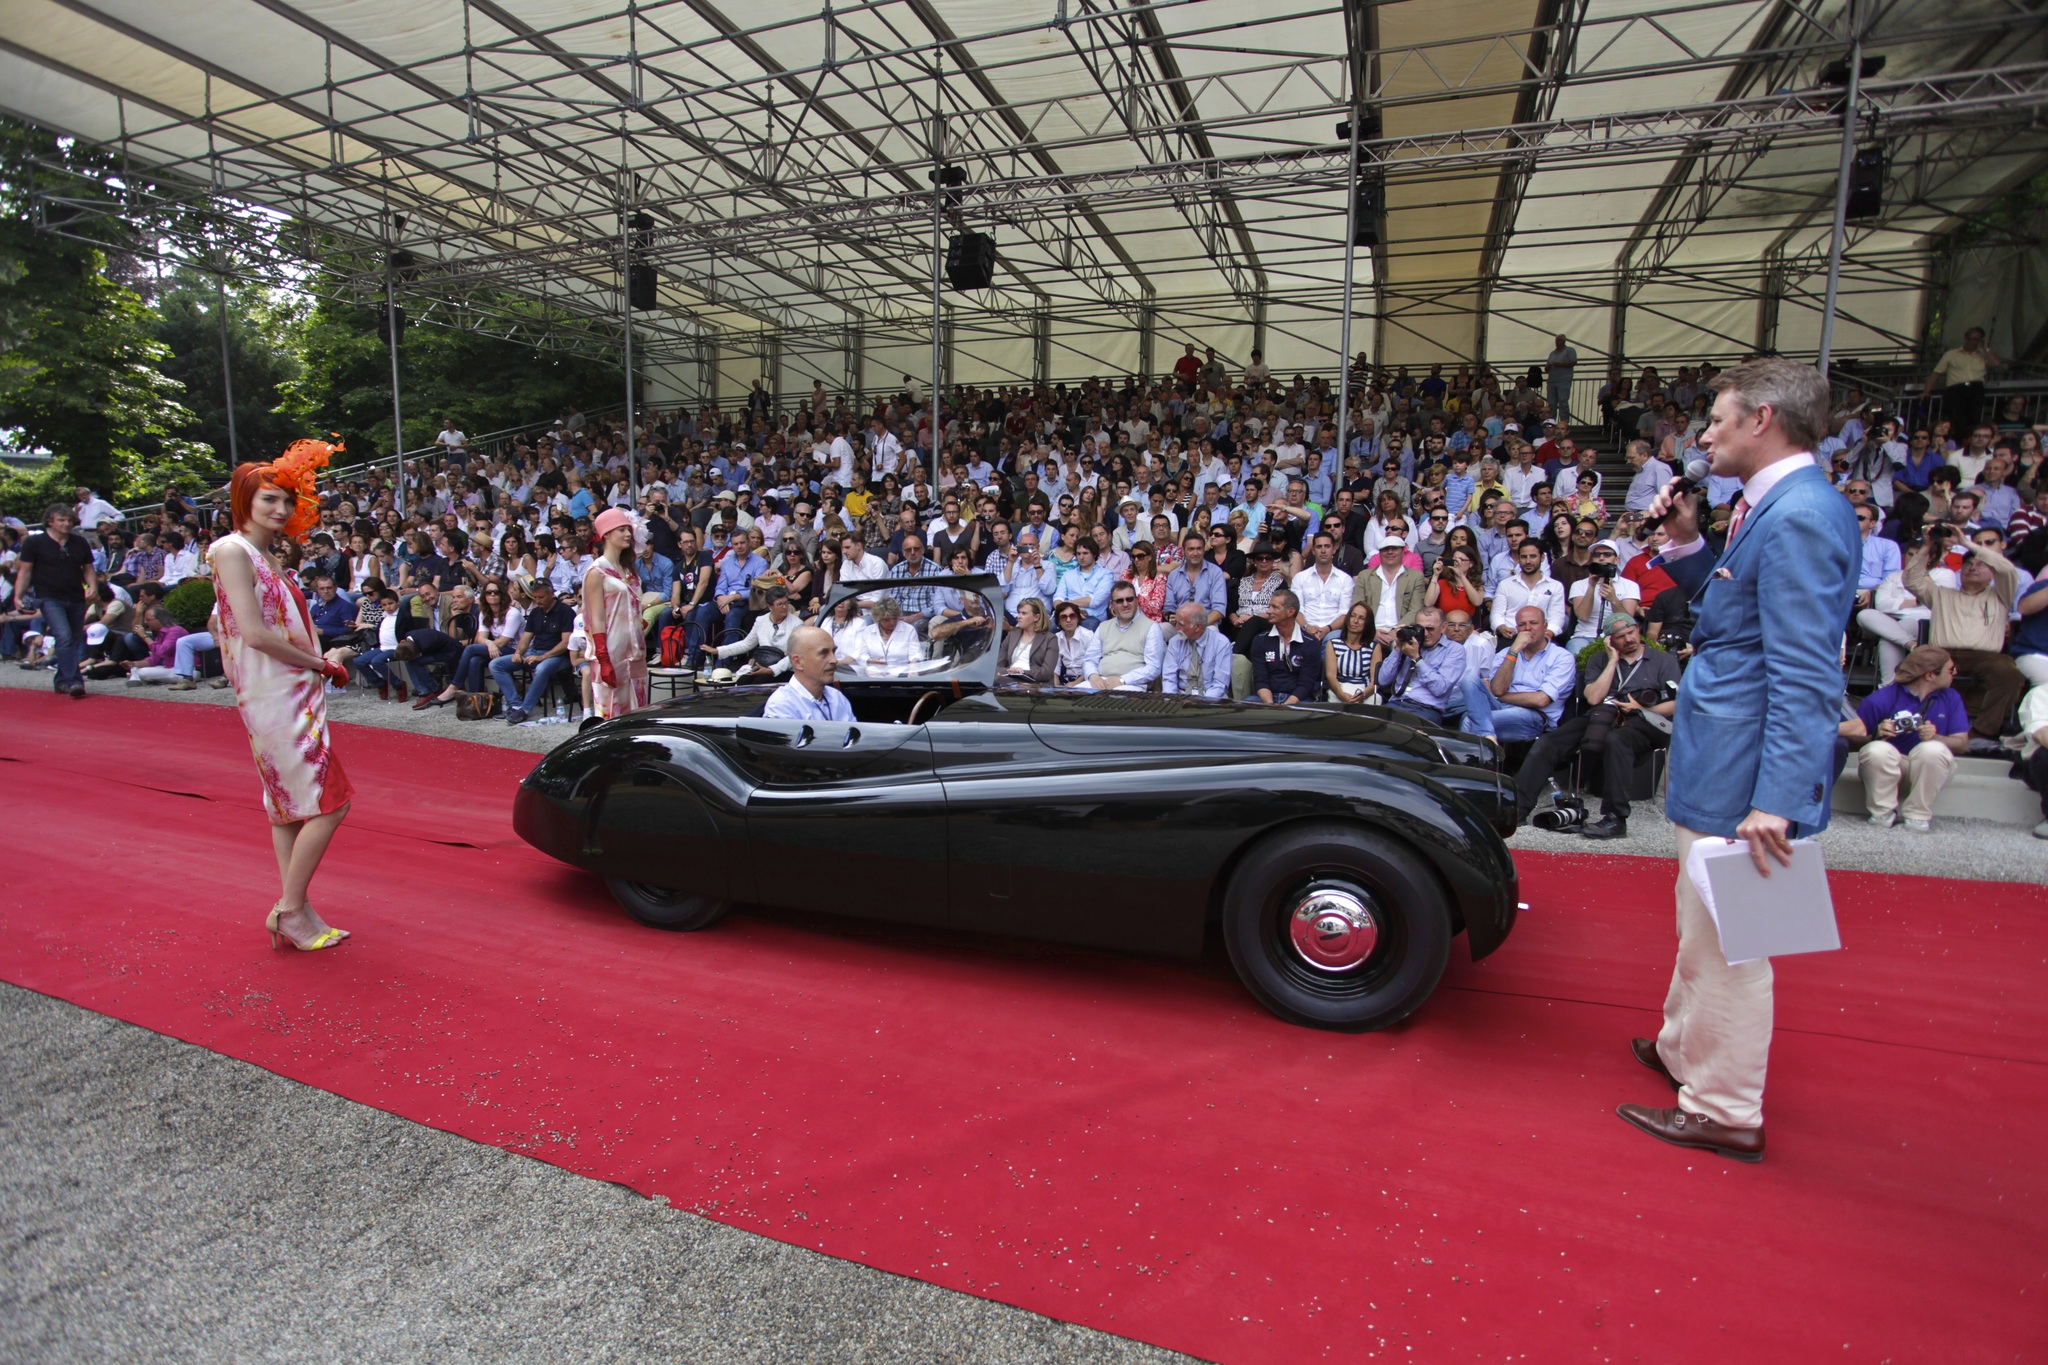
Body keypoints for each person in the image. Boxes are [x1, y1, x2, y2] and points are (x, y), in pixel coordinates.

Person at [1623, 356, 1859, 1165]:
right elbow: (1736, 608)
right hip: (1728, 757)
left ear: (1763, 419)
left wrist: (1779, 800)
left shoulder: (1798, 514)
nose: (1704, 436)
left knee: (1735, 940)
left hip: (1748, 775)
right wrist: (1687, 542)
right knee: (1701, 923)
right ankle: (1685, 1047)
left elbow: (1806, 669)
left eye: (1717, 420)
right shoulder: (1779, 504)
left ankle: (1725, 1106)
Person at [209, 442, 356, 953]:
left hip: (286, 686)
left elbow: (223, 621)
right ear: (244, 498)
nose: (281, 509)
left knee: (288, 804)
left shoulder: (258, 554)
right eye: (269, 499)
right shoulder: (232, 549)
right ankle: (290, 910)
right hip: (277, 691)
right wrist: (320, 663)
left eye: (287, 502)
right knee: (329, 803)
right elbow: (250, 632)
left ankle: (299, 909)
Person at [1510, 614, 1680, 835]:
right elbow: (1592, 698)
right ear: (1610, 640)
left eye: (1631, 633)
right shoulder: (1599, 660)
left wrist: (1640, 708)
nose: (1628, 639)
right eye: (1620, 636)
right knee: (1549, 742)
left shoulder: (1663, 660)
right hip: (1602, 717)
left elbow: (1676, 704)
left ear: (1638, 630)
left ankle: (1615, 818)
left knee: (1617, 740)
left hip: (1647, 720)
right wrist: (1612, 662)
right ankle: (1518, 810)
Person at [1902, 529, 2024, 741]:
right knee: (1914, 664)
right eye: (1967, 564)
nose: (1973, 568)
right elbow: (1911, 579)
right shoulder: (1941, 593)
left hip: (1985, 657)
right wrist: (1927, 545)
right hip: (1942, 653)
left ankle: (1982, 733)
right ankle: (1905, 721)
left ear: (1991, 573)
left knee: (2010, 674)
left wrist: (1967, 543)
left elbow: (2007, 570)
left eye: (1980, 565)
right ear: (1960, 571)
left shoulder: (2001, 594)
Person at [1853, 645, 1970, 831]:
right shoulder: (1882, 698)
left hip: (1929, 767)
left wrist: (1935, 737)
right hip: (1891, 765)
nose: (1954, 673)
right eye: (1951, 669)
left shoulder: (1951, 697)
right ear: (1930, 675)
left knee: (1932, 749)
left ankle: (1918, 815)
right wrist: (1877, 733)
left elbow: (1962, 743)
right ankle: (1882, 813)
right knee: (1876, 749)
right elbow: (1850, 739)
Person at [12, 503, 97, 698]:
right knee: (64, 636)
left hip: (75, 596)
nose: (66, 524)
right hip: (49, 596)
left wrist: (92, 586)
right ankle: (74, 681)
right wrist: (18, 596)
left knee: (73, 640)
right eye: (61, 520)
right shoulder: (34, 543)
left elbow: (88, 569)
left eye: (69, 520)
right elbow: (25, 571)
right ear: (50, 522)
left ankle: (61, 680)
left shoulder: (79, 542)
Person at [1465, 605, 1576, 742]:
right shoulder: (1507, 653)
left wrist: (1501, 698)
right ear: (1517, 629)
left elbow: (1540, 700)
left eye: (1533, 623)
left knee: (1470, 721)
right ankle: (1488, 736)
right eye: (1522, 625)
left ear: (1545, 626)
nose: (1528, 628)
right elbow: (1498, 689)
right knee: (1469, 680)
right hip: (1502, 708)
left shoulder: (1562, 657)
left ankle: (1479, 753)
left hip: (1535, 716)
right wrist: (1514, 651)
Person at [579, 508, 649, 719]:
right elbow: (596, 618)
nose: (628, 534)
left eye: (628, 529)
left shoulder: (628, 569)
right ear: (606, 534)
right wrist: (603, 658)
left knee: (638, 708)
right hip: (611, 650)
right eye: (621, 529)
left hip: (635, 648)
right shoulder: (596, 572)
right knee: (610, 710)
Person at [489, 578, 576, 724]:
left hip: (560, 656)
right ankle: (514, 704)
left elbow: (566, 643)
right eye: (535, 597)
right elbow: (526, 638)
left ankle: (525, 709)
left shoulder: (565, 612)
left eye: (541, 597)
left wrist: (542, 657)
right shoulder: (536, 613)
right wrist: (518, 653)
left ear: (551, 594)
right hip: (536, 652)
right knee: (496, 664)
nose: (538, 600)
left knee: (542, 669)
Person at [762, 624, 855, 721]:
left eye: (833, 652)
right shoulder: (782, 705)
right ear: (798, 662)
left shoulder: (837, 697)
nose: (834, 660)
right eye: (824, 654)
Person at [1249, 589, 1321, 705]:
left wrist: (1286, 708)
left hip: (1298, 700)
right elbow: (1261, 680)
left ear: (1290, 612)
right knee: (1246, 704)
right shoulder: (1260, 640)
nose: (1268, 611)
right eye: (1269, 606)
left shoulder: (1310, 643)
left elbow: (1306, 684)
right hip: (1268, 698)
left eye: (1275, 607)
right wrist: (1270, 705)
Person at [1088, 580, 1163, 690]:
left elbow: (1153, 668)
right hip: (1101, 681)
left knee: (1115, 699)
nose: (1125, 604)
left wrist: (1122, 680)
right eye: (1119, 601)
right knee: (1076, 697)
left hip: (1131, 684)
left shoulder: (1151, 627)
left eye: (1129, 599)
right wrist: (1093, 676)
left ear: (1137, 601)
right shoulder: (1103, 627)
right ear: (1112, 605)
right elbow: (1089, 659)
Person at [1159, 599, 1232, 699]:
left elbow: (1220, 684)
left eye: (1181, 624)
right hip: (1180, 696)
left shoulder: (1221, 643)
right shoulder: (1175, 642)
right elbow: (1169, 679)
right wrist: (1171, 700)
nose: (1176, 628)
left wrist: (1202, 703)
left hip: (1212, 698)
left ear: (1197, 627)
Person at [1323, 601, 1377, 704]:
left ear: (1367, 622)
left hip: (1364, 691)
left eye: (1361, 618)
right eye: (1353, 616)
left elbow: (1375, 680)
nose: (1355, 621)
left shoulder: (1374, 647)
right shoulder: (1333, 644)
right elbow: (1331, 676)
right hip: (1340, 689)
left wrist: (1363, 695)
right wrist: (1341, 695)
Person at [999, 597, 1057, 684]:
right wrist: (1010, 671)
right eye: (1019, 612)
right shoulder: (1012, 635)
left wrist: (1022, 673)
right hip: (1009, 677)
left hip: (1034, 682)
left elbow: (1046, 673)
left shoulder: (1050, 639)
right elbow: (998, 665)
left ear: (1036, 617)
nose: (1018, 616)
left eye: (1024, 613)